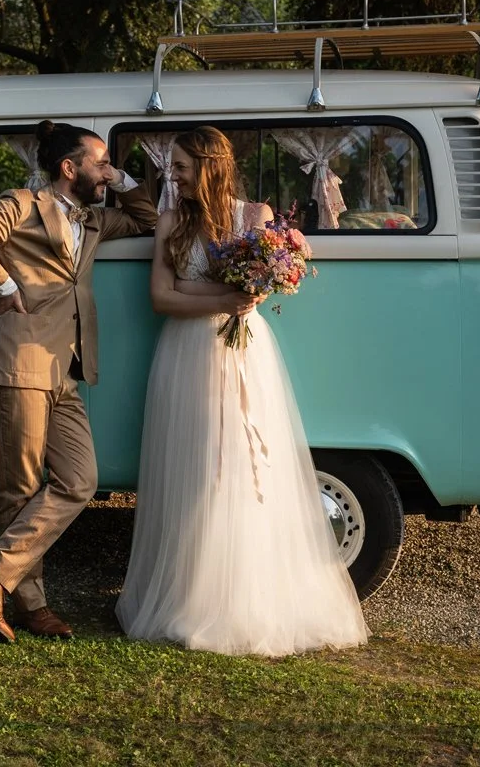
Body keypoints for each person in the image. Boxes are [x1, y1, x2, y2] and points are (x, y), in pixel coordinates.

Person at [115, 126, 367, 655]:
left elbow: (251, 291)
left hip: (242, 352)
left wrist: (201, 290)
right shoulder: (169, 222)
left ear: (209, 166)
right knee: (193, 465)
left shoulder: (257, 218)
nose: (173, 175)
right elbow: (161, 298)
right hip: (185, 352)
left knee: (238, 462)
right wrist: (216, 297)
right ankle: (190, 596)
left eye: (181, 166)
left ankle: (244, 595)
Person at [0, 120, 158, 642]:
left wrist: (122, 179)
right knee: (19, 488)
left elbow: (149, 220)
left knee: (80, 481)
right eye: (98, 162)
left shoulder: (97, 219)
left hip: (64, 368)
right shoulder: (21, 204)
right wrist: (4, 284)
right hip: (16, 363)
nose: (106, 172)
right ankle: (32, 607)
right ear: (68, 167)